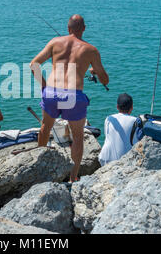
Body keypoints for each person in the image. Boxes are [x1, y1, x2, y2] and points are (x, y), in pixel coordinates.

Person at [30, 14, 109, 182]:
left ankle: (39, 170)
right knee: (78, 135)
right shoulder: (91, 50)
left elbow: (33, 65)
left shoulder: (55, 42)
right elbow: (104, 79)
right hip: (73, 95)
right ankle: (73, 177)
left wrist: (44, 86)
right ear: (84, 29)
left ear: (68, 29)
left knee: (45, 128)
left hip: (51, 92)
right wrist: (95, 72)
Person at [98, 93, 138, 166]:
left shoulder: (109, 119)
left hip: (105, 160)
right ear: (131, 107)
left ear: (117, 107)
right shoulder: (135, 121)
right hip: (124, 162)